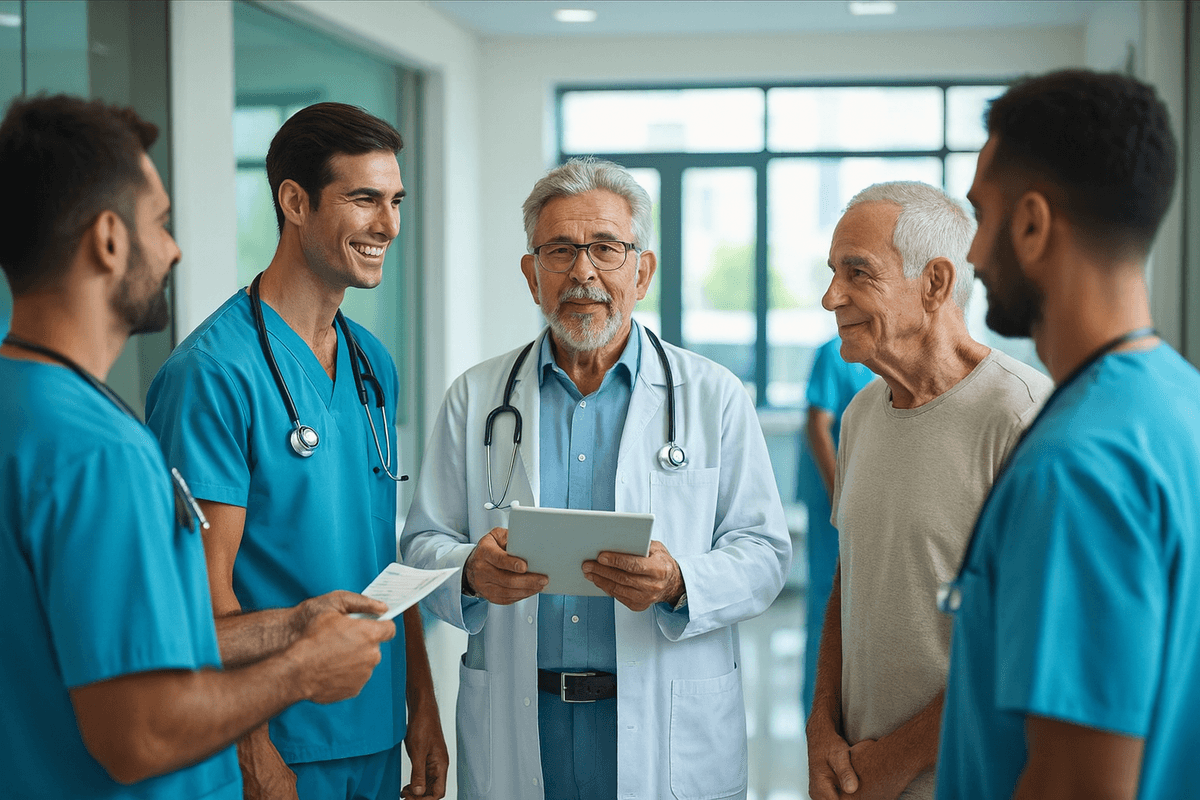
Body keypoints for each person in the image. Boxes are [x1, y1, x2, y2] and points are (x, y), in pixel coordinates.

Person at [0, 94, 396, 799]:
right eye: (161, 223)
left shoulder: (30, 410)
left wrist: (292, 624)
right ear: (109, 240)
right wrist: (300, 670)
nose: (175, 249)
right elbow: (140, 731)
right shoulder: (101, 453)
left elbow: (145, 638)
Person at [399, 157, 791, 800]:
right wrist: (470, 569)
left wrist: (678, 580)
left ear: (643, 269)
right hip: (522, 720)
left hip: (667, 724)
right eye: (560, 251)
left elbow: (764, 553)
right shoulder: (475, 398)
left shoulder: (712, 396)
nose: (584, 271)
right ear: (531, 274)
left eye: (607, 248)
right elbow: (421, 546)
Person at [146, 102, 447, 800]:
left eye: (396, 201)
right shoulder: (212, 375)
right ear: (294, 202)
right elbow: (201, 599)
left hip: (373, 731)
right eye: (364, 200)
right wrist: (250, 751)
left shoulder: (372, 364)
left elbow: (386, 561)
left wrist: (421, 705)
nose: (389, 226)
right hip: (275, 739)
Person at [936, 69, 1200, 800]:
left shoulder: (1077, 469)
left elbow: (1081, 786)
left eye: (980, 217)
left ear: (1031, 223)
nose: (974, 255)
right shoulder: (1181, 404)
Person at [806, 181, 1053, 800]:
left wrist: (900, 759)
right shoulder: (861, 412)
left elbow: (1030, 636)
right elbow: (851, 574)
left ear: (937, 283)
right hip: (858, 774)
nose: (830, 296)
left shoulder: (1022, 419)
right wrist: (820, 725)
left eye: (857, 273)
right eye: (832, 272)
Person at [796, 335, 873, 721]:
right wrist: (840, 497)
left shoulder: (888, 355)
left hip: (869, 502)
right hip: (837, 505)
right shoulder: (835, 352)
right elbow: (817, 423)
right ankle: (817, 712)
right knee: (829, 605)